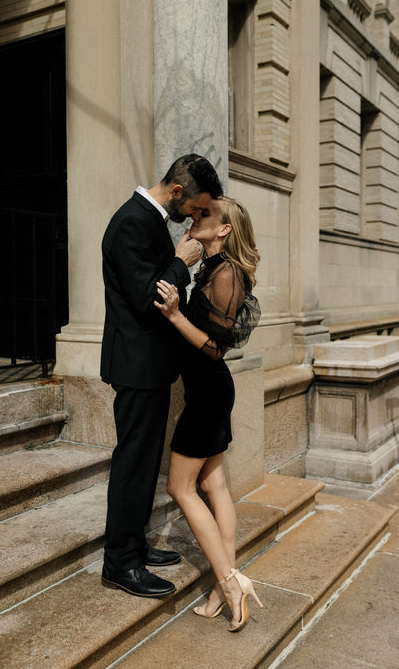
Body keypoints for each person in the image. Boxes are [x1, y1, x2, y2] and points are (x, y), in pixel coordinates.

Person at [100, 153, 223, 599]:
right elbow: (145, 297)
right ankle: (120, 563)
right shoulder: (133, 221)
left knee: (145, 462)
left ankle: (134, 544)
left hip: (149, 363)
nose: (193, 216)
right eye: (194, 207)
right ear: (177, 192)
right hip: (135, 364)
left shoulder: (148, 220)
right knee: (133, 463)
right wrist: (180, 260)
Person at [154, 196, 262, 630]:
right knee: (213, 483)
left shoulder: (227, 275)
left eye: (205, 215)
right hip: (208, 393)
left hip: (207, 395)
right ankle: (224, 590)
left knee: (182, 489)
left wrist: (176, 314)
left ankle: (230, 582)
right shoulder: (213, 270)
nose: (195, 216)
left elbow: (215, 348)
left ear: (225, 230)